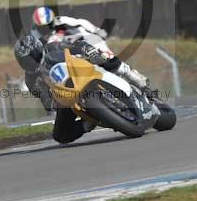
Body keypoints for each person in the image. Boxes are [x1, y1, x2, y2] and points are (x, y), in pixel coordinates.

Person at [14, 35, 149, 144]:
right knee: (59, 136)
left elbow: (75, 46)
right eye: (27, 61)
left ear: (39, 48)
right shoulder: (31, 80)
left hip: (79, 72)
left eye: (33, 56)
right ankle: (87, 124)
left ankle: (129, 73)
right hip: (65, 95)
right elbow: (45, 100)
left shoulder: (53, 47)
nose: (32, 62)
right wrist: (54, 103)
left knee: (102, 56)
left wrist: (87, 50)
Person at [31, 6, 109, 49]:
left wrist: (96, 30)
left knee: (98, 42)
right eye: (42, 27)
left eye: (48, 24)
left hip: (80, 42)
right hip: (63, 54)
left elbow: (81, 22)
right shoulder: (35, 32)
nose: (46, 28)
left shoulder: (60, 20)